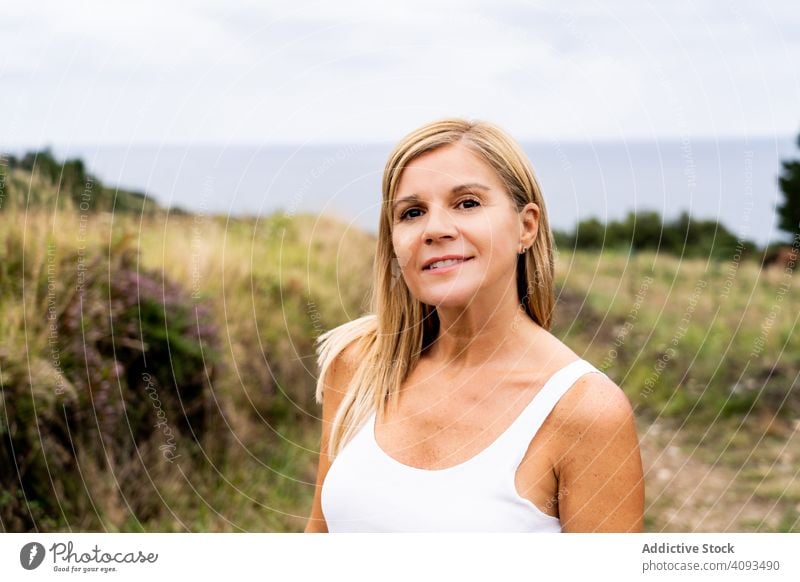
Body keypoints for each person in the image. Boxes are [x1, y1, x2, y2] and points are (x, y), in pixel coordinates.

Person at [304, 118, 644, 532]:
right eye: (412, 213)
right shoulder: (360, 365)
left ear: (526, 226)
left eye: (467, 203)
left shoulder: (584, 411)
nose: (435, 230)